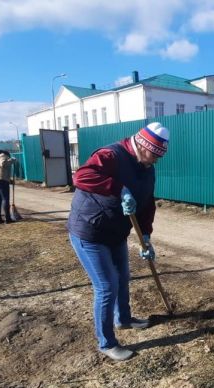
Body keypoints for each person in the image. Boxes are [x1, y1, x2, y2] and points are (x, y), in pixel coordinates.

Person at [67, 122, 168, 362]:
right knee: (106, 286)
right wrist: (118, 189)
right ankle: (107, 343)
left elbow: (146, 202)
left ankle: (123, 319)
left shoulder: (146, 167)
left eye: (158, 157)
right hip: (89, 230)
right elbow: (81, 176)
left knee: (123, 277)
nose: (155, 161)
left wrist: (146, 236)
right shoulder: (111, 155)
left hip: (116, 232)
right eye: (154, 155)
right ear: (143, 146)